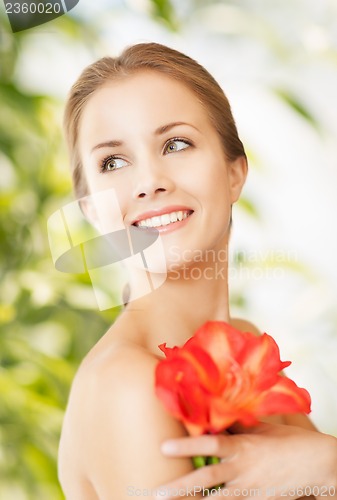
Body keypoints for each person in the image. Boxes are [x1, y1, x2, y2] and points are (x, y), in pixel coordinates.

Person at [57, 42, 337, 499]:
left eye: (176, 143)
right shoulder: (128, 384)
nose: (149, 182)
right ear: (92, 212)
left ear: (235, 173)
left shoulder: (241, 348)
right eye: (113, 161)